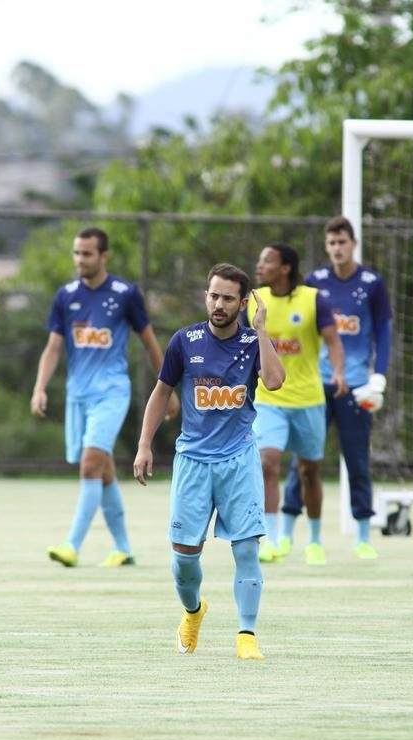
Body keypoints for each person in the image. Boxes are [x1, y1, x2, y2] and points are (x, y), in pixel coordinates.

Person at [133, 263, 285, 660]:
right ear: (206, 296)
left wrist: (262, 331)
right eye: (214, 296)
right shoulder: (185, 341)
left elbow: (274, 381)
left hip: (239, 459)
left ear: (242, 303)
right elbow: (161, 392)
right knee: (183, 560)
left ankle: (246, 635)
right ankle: (193, 611)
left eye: (228, 298)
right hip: (193, 462)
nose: (219, 304)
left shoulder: (252, 342)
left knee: (247, 549)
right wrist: (144, 444)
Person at [31, 226, 179, 568]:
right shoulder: (66, 296)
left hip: (112, 392)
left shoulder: (125, 293)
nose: (80, 260)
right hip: (78, 396)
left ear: (104, 256)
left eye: (87, 254)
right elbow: (53, 348)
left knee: (90, 465)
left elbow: (150, 343)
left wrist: (168, 389)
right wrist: (39, 387)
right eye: (76, 253)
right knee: (104, 470)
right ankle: (123, 548)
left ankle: (72, 545)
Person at [281, 216, 392, 559]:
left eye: (342, 241)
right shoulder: (315, 282)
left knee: (357, 460)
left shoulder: (372, 283)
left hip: (356, 386)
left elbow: (384, 330)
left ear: (353, 243)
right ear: (326, 246)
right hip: (316, 386)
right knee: (303, 461)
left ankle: (363, 537)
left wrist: (379, 376)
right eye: (332, 243)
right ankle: (286, 533)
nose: (337, 248)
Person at [247, 242, 347, 566]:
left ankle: (315, 541)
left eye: (267, 260)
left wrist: (339, 372)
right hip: (269, 399)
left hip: (308, 400)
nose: (259, 265)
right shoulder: (253, 302)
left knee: (309, 472)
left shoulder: (314, 299)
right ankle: (272, 540)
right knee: (267, 463)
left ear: (285, 267)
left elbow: (333, 341)